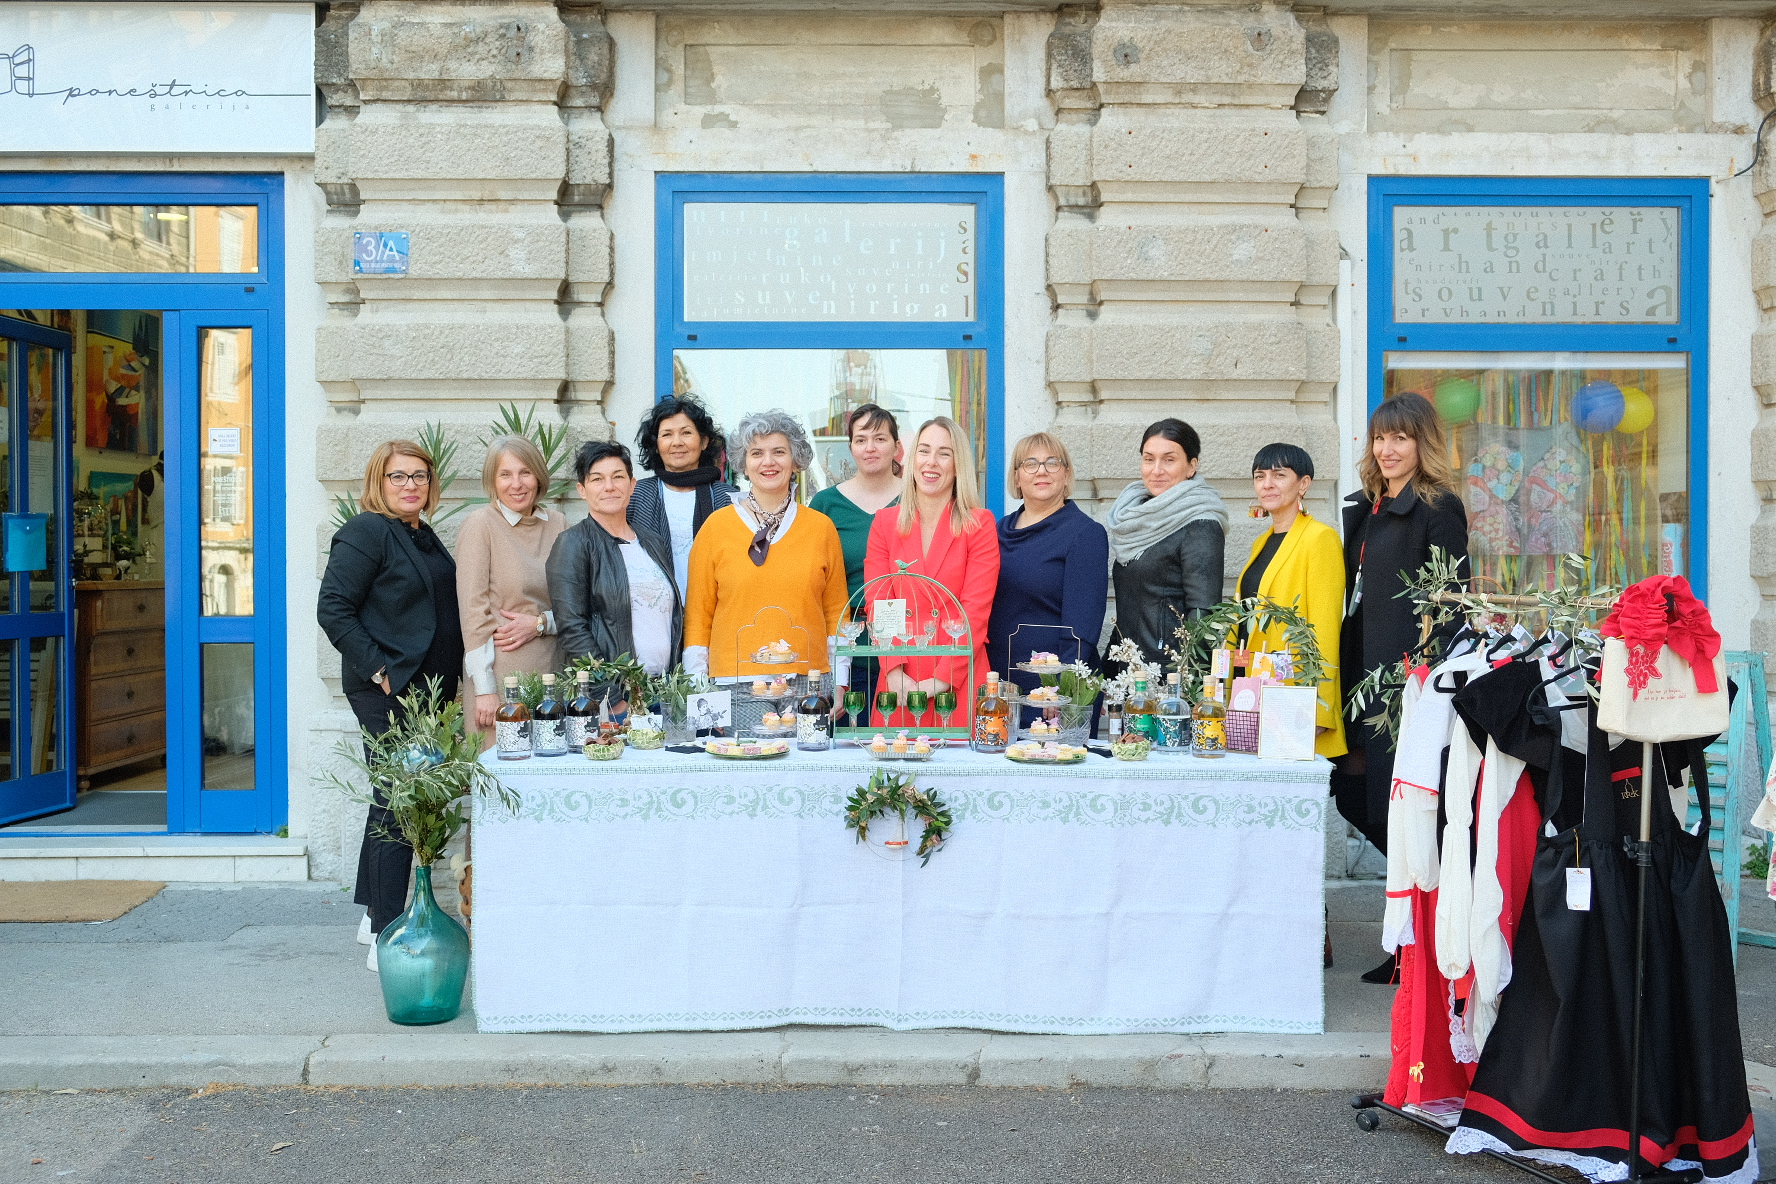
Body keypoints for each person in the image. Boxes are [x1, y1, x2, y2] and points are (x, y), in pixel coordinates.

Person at [317, 440, 463, 972]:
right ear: (378, 482)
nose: (410, 485)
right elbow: (332, 606)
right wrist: (378, 667)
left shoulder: (420, 535)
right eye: (398, 477)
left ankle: (370, 914)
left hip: (429, 692)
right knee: (402, 804)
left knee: (392, 799)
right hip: (390, 689)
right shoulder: (367, 531)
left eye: (419, 476)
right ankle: (386, 930)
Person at [1339, 393, 1468, 854]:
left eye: (1400, 438)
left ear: (1422, 444)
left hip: (1401, 680)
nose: (1386, 449)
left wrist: (1426, 676)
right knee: (1351, 792)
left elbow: (1453, 602)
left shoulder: (1438, 507)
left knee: (1392, 802)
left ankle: (1419, 906)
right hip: (1358, 671)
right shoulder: (1369, 506)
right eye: (1379, 437)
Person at [682, 410, 848, 681]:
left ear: (795, 461)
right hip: (734, 682)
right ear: (744, 465)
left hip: (810, 680)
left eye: (779, 452)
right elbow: (699, 617)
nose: (768, 462)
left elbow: (837, 613)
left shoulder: (821, 528)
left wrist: (840, 680)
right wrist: (699, 688)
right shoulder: (715, 528)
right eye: (756, 453)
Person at [864, 416, 999, 726]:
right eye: (924, 451)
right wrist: (895, 672)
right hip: (899, 681)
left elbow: (974, 612)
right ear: (912, 460)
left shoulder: (979, 525)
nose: (932, 462)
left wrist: (942, 680)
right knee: (891, 771)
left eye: (944, 453)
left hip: (957, 677)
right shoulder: (885, 523)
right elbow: (879, 603)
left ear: (958, 465)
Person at [545, 440, 682, 711]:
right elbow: (572, 627)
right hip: (617, 698)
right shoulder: (573, 544)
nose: (609, 486)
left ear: (632, 485)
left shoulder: (651, 541)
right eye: (597, 479)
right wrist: (612, 696)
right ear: (582, 490)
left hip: (663, 691)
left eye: (618, 477)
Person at [1236, 443, 1346, 760]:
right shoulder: (1261, 542)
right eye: (1260, 476)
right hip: (1251, 687)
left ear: (1303, 484)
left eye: (1279, 475)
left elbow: (1325, 629)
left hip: (1291, 693)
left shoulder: (1320, 538)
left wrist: (1320, 710)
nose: (1267, 484)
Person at [987, 433, 1109, 718]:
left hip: (1053, 690)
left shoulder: (1084, 534)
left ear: (1066, 475)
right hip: (999, 684)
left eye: (1052, 463)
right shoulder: (996, 532)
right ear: (1016, 477)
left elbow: (1083, 625)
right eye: (1030, 463)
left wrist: (1061, 688)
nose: (1041, 470)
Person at [455, 435, 567, 744]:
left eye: (525, 472)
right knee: (504, 780)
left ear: (538, 476)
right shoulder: (481, 525)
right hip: (503, 679)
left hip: (552, 673)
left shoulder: (558, 524)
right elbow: (473, 612)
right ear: (492, 480)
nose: (516, 484)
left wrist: (541, 623)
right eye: (505, 474)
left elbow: (576, 603)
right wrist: (485, 688)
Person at [1107, 418, 1228, 666]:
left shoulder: (1200, 523)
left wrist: (1184, 677)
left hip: (1167, 672)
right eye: (1149, 459)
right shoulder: (1133, 516)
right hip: (1125, 667)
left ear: (1191, 466)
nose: (1156, 470)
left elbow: (1203, 613)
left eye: (1169, 460)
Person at [627, 394, 738, 596]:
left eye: (686, 433)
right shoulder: (635, 495)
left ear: (704, 441)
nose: (676, 442)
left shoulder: (729, 499)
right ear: (656, 445)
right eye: (667, 435)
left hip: (715, 614)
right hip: (653, 617)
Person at [809, 402, 902, 603]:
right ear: (851, 449)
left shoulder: (918, 498)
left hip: (911, 628)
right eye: (860, 440)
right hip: (844, 628)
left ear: (897, 447)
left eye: (880, 439)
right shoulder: (825, 504)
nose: (870, 448)